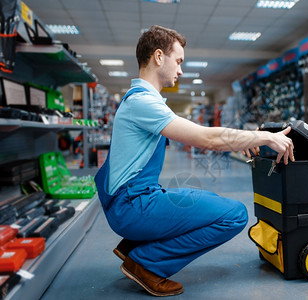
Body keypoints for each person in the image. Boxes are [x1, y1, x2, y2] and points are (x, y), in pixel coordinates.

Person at [94, 25, 295, 297]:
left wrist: (249, 138)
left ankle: (134, 247)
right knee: (234, 215)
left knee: (205, 199)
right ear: (158, 57)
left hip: (133, 201)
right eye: (178, 61)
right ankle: (147, 263)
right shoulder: (143, 103)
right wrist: (264, 139)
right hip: (133, 206)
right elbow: (206, 139)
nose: (180, 70)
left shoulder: (140, 100)